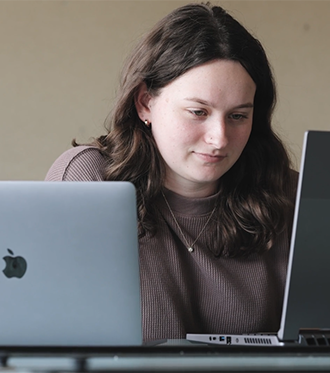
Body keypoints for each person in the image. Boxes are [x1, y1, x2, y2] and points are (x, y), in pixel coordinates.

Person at [45, 2, 298, 342]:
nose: (219, 138)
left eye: (238, 116)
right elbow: (55, 334)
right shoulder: (91, 180)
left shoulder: (288, 194)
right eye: (197, 111)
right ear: (145, 103)